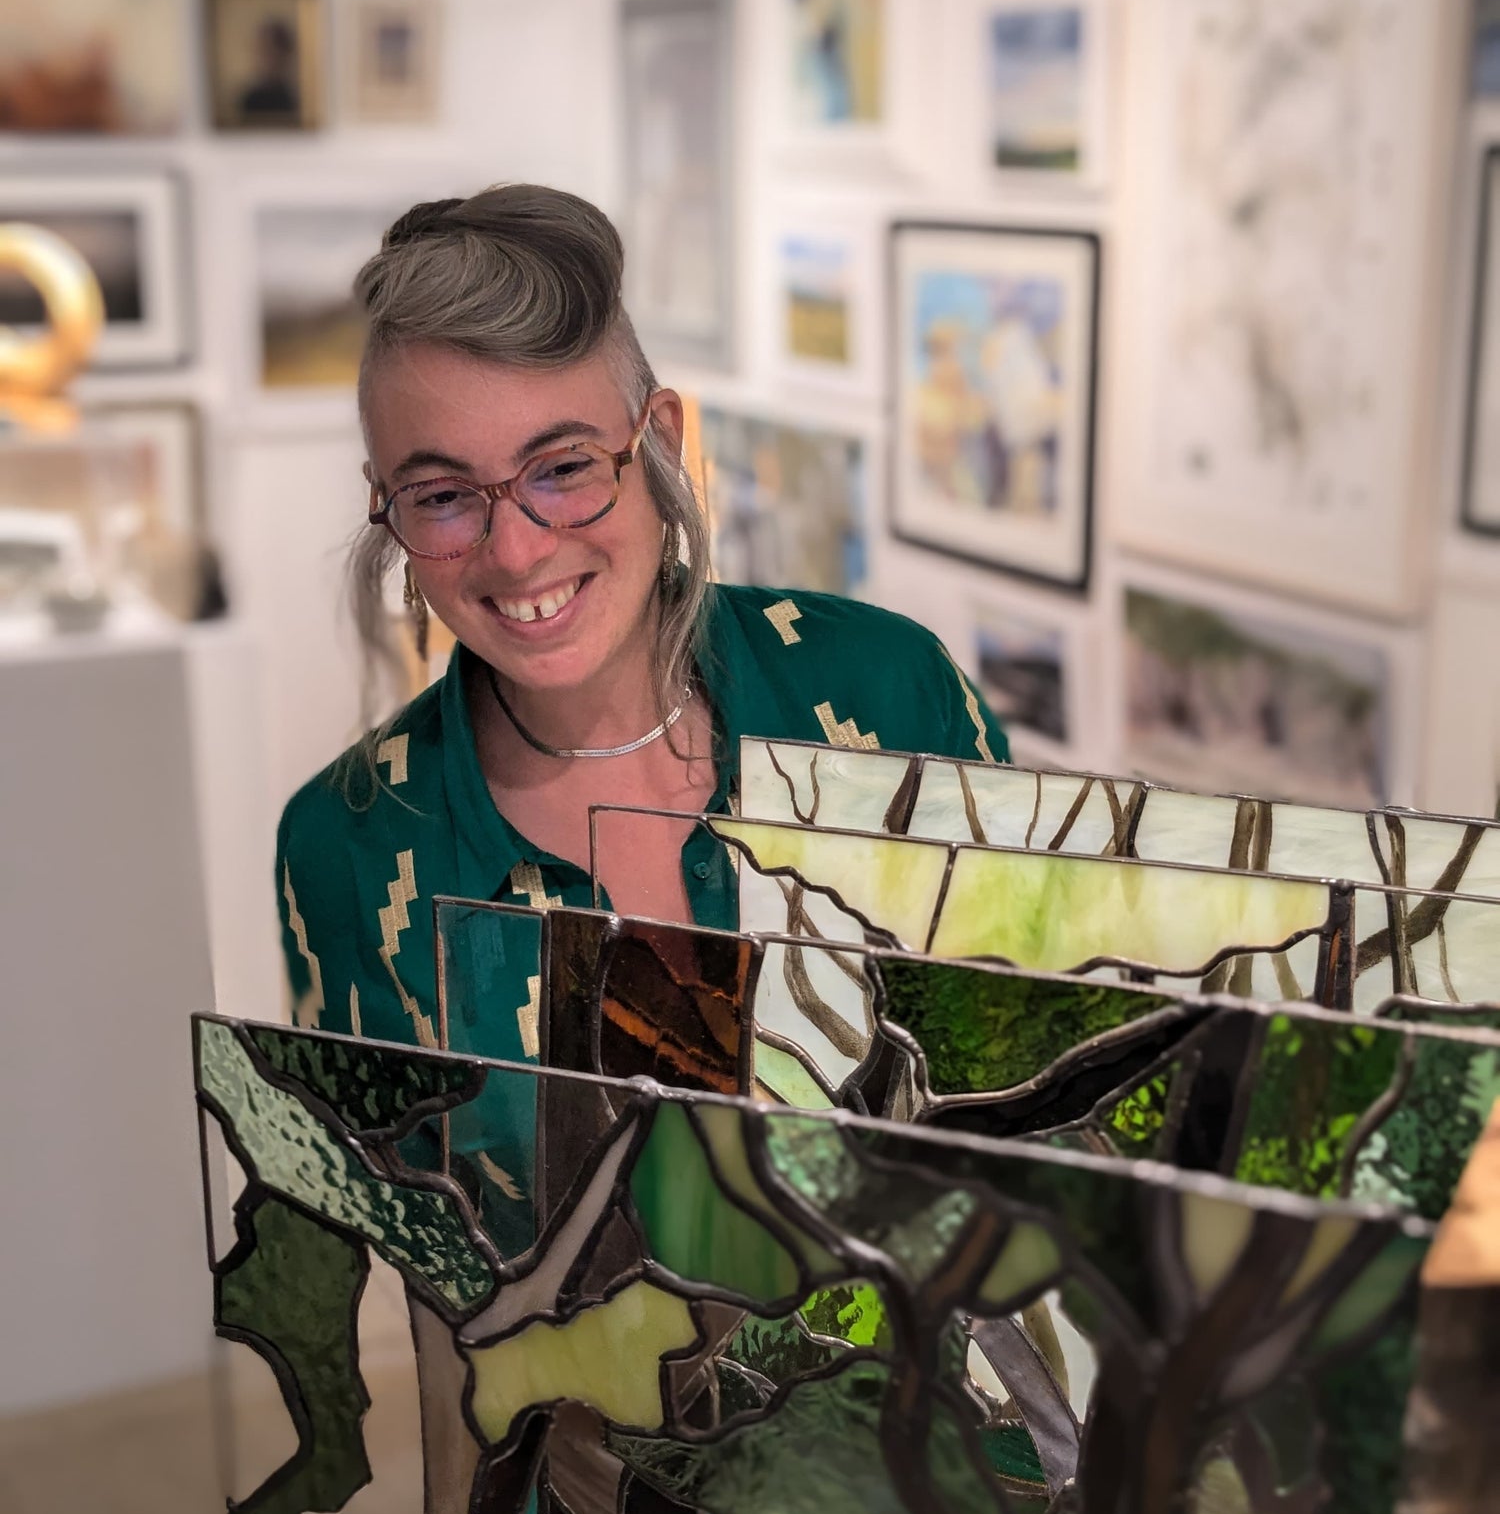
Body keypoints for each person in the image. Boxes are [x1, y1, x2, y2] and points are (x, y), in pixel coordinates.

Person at [276, 183, 1008, 1057]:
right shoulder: (347, 845)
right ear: (385, 506)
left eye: (563, 467)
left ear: (659, 441)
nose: (515, 551)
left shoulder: (890, 693)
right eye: (441, 495)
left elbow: (1042, 1095)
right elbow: (378, 1189)